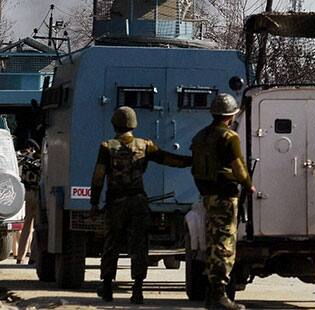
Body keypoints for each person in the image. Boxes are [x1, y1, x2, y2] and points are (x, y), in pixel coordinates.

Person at [91, 106, 192, 304]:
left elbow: (98, 177)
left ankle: (107, 286)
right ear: (134, 124)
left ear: (114, 124)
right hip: (138, 202)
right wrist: (190, 161)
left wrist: (94, 203)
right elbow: (167, 159)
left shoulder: (106, 147)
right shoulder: (144, 145)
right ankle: (137, 290)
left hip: (115, 203)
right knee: (139, 246)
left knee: (111, 244)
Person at [191, 93, 254, 310]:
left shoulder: (200, 136)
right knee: (225, 245)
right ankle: (219, 296)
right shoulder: (229, 137)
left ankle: (212, 294)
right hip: (225, 197)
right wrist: (248, 184)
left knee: (212, 244)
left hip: (207, 196)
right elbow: (237, 166)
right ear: (231, 115)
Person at [15, 139, 40, 264]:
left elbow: (22, 178)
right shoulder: (41, 161)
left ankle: (20, 256)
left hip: (28, 193)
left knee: (26, 226)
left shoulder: (26, 161)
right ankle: (34, 257)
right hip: (38, 194)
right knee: (37, 227)